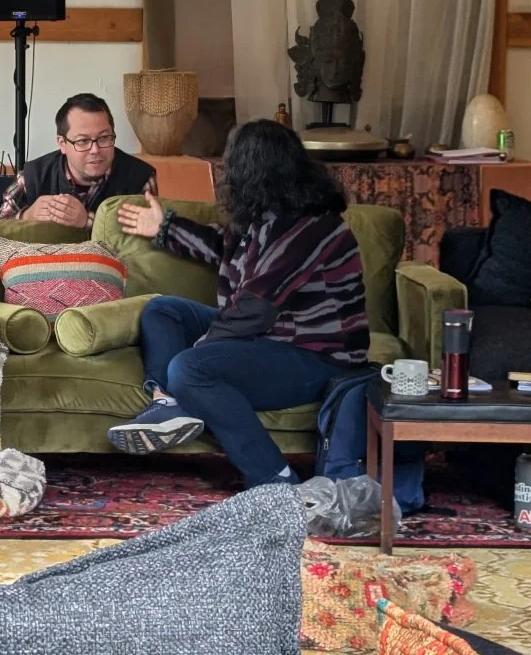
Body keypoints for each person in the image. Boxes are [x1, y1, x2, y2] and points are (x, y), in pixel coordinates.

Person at [106, 119, 368, 488]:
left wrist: (203, 347)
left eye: (231, 167)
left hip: (317, 357)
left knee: (191, 368)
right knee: (162, 311)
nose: (225, 175)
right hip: (272, 338)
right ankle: (167, 403)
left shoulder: (308, 224)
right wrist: (165, 228)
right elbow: (224, 248)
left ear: (253, 173)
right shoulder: (268, 214)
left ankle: (273, 478)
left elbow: (254, 310)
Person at [0, 93, 157, 228]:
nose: (95, 150)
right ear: (62, 144)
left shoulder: (140, 177)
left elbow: (147, 241)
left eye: (104, 138)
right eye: (82, 141)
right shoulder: (33, 176)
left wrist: (88, 221)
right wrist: (27, 216)